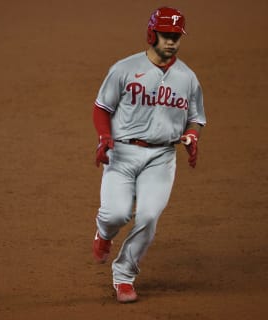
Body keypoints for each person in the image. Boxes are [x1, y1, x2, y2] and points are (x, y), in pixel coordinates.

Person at [91, 6, 207, 303]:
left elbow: (196, 117)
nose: (171, 42)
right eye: (166, 35)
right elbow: (102, 108)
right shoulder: (124, 69)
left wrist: (192, 134)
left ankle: (124, 276)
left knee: (148, 216)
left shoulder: (188, 78)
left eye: (176, 37)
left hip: (162, 157)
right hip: (123, 153)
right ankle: (104, 232)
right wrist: (105, 137)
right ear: (151, 34)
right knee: (115, 214)